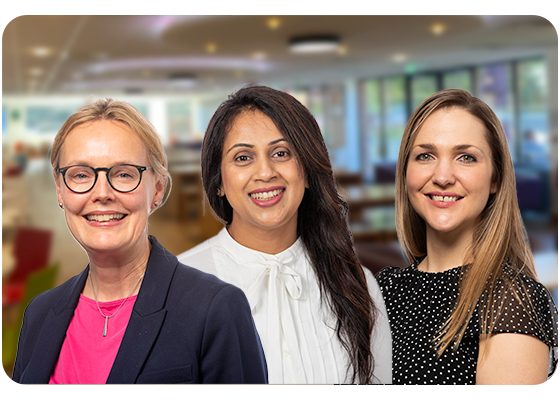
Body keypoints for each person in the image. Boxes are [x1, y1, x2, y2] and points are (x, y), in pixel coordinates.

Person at [11, 98, 268, 384]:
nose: (102, 193)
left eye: (123, 174)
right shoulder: (39, 314)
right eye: (81, 175)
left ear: (157, 189)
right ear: (60, 191)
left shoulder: (215, 309)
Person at [178, 85, 391, 384]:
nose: (265, 172)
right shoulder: (178, 285)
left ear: (306, 172)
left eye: (281, 153)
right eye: (242, 158)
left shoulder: (358, 283)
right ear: (218, 183)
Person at [376, 89, 558, 384]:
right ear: (405, 172)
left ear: (495, 178)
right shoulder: (384, 288)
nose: (443, 176)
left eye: (466, 157)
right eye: (425, 156)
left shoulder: (512, 301)